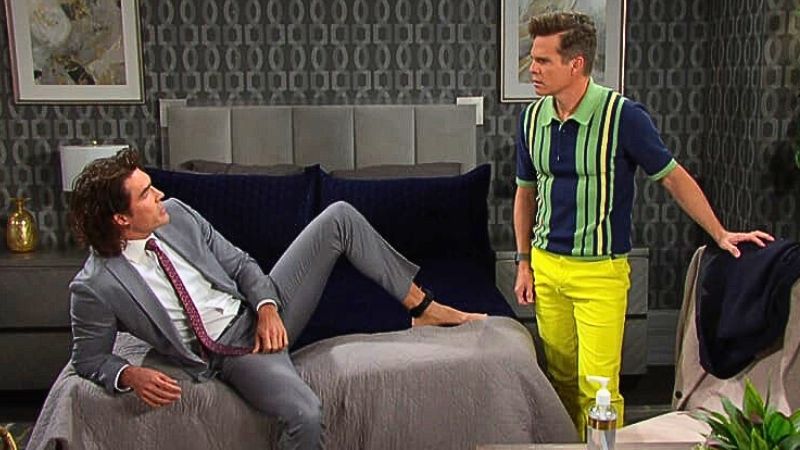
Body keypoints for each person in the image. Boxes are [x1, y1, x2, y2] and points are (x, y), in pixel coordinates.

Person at [68, 149, 485, 450]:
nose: (159, 193)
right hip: (231, 350)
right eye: (145, 193)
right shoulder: (96, 285)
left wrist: (267, 308)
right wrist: (129, 375)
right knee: (305, 414)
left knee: (340, 216)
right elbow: (89, 358)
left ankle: (423, 308)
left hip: (254, 310)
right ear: (120, 218)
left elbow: (241, 264)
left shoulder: (177, 214)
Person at [512, 11, 773, 435]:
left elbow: (672, 176)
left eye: (543, 60)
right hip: (545, 266)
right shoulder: (531, 120)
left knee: (598, 388)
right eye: (532, 59)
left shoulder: (623, 116)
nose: (533, 69)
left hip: (600, 272)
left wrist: (719, 232)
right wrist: (524, 261)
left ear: (576, 64)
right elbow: (525, 193)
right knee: (558, 380)